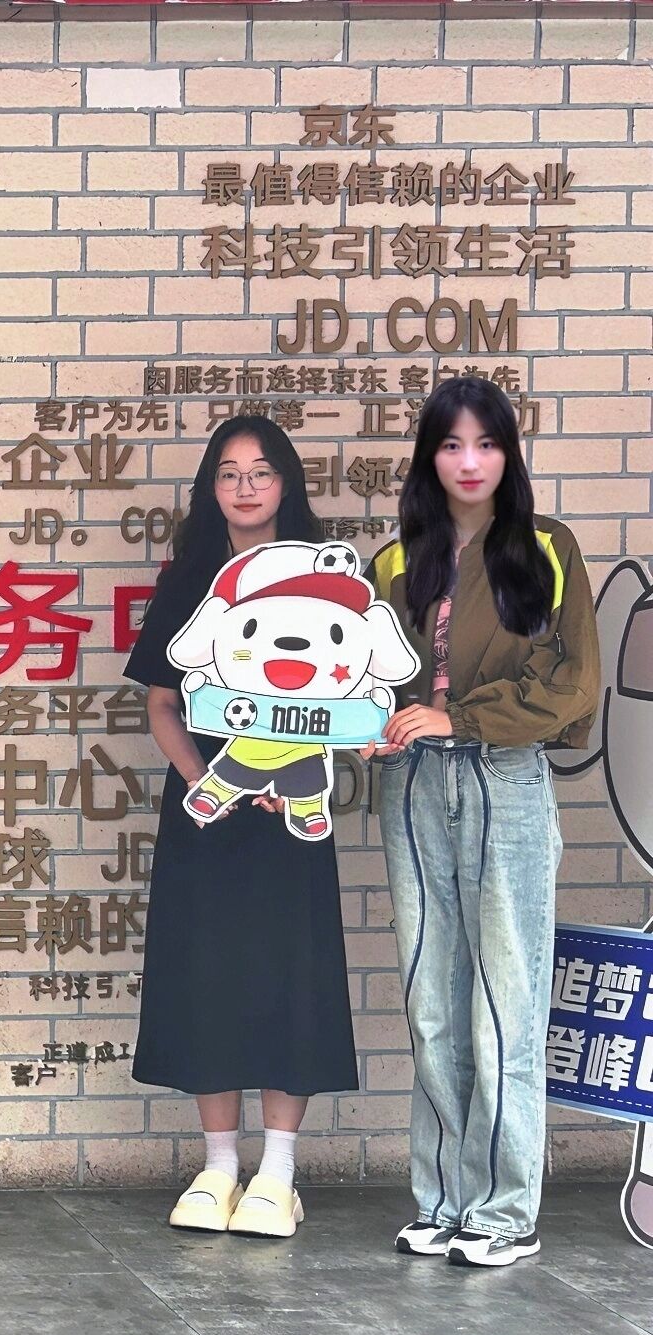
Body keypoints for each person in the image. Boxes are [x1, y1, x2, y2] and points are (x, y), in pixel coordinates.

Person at [373, 376, 600, 1267]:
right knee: (432, 1003)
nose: (470, 462)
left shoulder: (546, 548)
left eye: (487, 443)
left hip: (504, 781)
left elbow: (572, 681)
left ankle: (505, 1211)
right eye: (451, 445)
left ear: (509, 454)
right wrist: (371, 726)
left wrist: (460, 718)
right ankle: (442, 1200)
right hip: (412, 787)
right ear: (429, 458)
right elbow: (367, 677)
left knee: (505, 1004)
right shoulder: (397, 561)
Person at [123, 415, 358, 1240]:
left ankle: (279, 1173)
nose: (245, 487)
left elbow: (350, 697)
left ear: (286, 482)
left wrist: (292, 774)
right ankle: (220, 1165)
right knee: (207, 975)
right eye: (228, 473)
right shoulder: (189, 579)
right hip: (208, 812)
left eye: (261, 472)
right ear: (210, 487)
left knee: (291, 975)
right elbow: (161, 704)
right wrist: (208, 781)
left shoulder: (324, 575)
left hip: (293, 814)